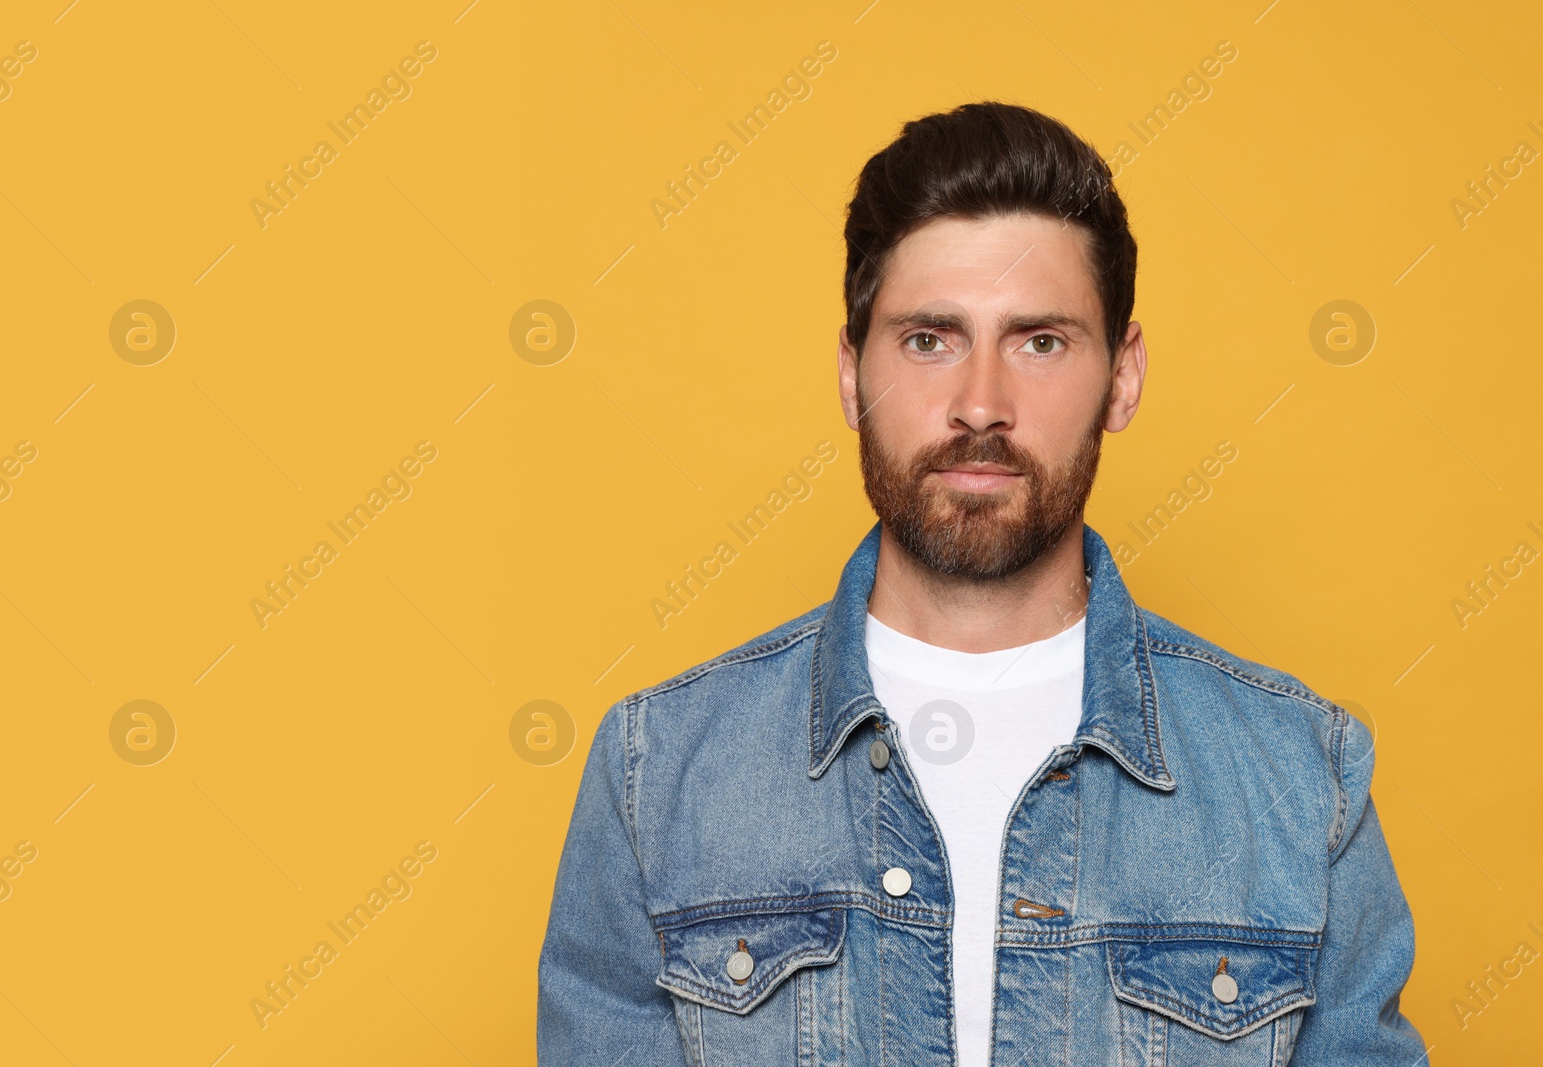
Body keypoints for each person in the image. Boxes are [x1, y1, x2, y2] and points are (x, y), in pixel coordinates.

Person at [537, 102, 1427, 1066]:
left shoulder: (1302, 777)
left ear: (1122, 377)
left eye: (1039, 340)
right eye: (930, 338)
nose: (981, 404)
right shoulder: (655, 773)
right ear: (851, 373)